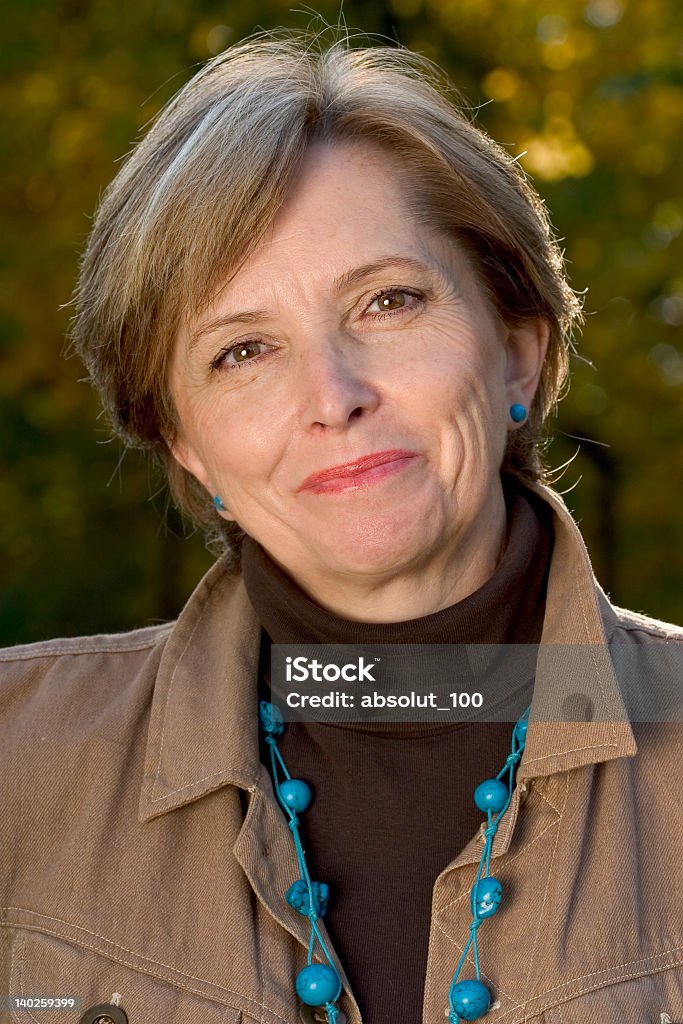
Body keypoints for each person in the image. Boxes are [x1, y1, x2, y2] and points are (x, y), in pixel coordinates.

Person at [2, 30, 682, 1024]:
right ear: (185, 444)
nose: (332, 395)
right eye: (241, 351)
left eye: (387, 301)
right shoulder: (19, 763)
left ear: (516, 355)